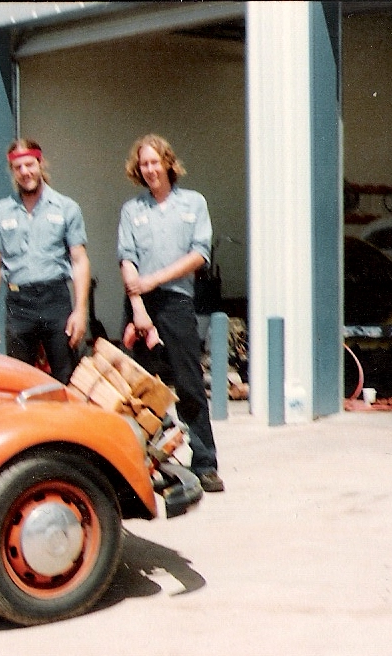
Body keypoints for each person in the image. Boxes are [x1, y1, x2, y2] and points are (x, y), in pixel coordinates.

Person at [117, 133, 224, 493]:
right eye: (143, 164)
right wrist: (138, 305)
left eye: (154, 162)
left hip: (177, 303)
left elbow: (199, 256)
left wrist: (152, 281)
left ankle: (205, 463)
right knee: (142, 390)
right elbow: (126, 258)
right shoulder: (132, 210)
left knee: (189, 385)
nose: (149, 169)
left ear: (168, 163)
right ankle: (145, 465)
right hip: (140, 306)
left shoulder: (193, 204)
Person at [0, 139, 90, 384]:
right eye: (18, 168)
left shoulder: (66, 208)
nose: (25, 172)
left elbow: (79, 261)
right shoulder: (0, 212)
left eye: (29, 165)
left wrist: (80, 310)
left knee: (67, 380)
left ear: (40, 164)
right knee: (19, 381)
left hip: (56, 300)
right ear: (12, 171)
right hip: (20, 304)